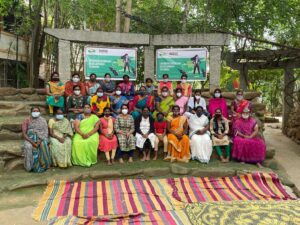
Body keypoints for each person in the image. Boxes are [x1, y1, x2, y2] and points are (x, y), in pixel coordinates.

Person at [22, 107, 51, 172]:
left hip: (41, 138)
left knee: (43, 144)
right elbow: (24, 134)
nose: (36, 112)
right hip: (30, 139)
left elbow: (45, 131)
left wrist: (39, 140)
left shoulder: (43, 120)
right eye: (34, 111)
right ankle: (32, 167)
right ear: (31, 112)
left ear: (39, 112)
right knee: (29, 147)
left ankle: (45, 165)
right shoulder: (26, 120)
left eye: (37, 111)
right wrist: (33, 142)